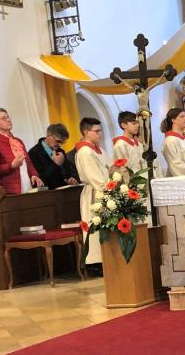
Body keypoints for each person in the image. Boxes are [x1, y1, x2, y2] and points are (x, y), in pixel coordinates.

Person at [75, 117, 110, 274]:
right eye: (96, 131)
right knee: (94, 228)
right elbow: (94, 177)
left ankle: (107, 258)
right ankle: (95, 263)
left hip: (106, 189)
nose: (100, 134)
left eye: (100, 130)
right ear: (86, 132)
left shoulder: (99, 149)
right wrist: (107, 189)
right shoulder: (85, 152)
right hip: (95, 193)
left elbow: (110, 168)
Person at [0, 108, 43, 194]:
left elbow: (28, 162)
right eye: (4, 118)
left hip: (27, 186)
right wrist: (11, 165)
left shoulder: (18, 141)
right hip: (9, 192)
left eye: (8, 117)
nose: (8, 120)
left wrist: (34, 175)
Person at [28, 124, 80, 190]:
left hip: (64, 194)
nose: (60, 145)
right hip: (47, 195)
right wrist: (56, 165)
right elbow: (40, 180)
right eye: (58, 141)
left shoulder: (61, 151)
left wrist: (70, 179)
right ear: (48, 135)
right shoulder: (33, 152)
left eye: (63, 142)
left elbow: (67, 174)